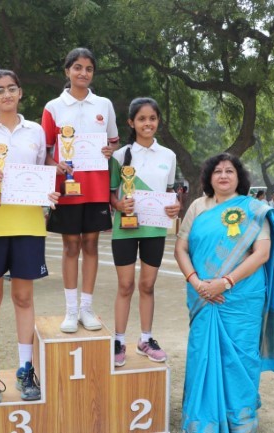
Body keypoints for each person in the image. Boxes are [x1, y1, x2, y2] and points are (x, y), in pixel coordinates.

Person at [0, 69, 60, 404]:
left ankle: (25, 370)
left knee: (23, 298)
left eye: (12, 88)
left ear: (20, 93)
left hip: (27, 225)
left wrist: (48, 193)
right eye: (0, 90)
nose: (6, 94)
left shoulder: (35, 131)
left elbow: (41, 174)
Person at [174, 153, 274, 433]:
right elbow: (181, 249)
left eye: (229, 171)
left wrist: (225, 282)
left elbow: (262, 253)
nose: (223, 176)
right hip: (202, 295)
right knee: (202, 353)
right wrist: (197, 283)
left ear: (239, 178)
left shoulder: (254, 210)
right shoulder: (198, 207)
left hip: (242, 296)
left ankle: (239, 418)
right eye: (217, 171)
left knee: (241, 355)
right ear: (209, 178)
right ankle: (203, 420)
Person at [41, 47, 119, 333]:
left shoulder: (104, 105)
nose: (83, 73)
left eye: (88, 69)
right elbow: (45, 152)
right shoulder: (53, 107)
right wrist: (56, 165)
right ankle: (71, 310)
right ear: (67, 71)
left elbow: (113, 142)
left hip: (97, 188)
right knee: (71, 246)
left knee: (91, 244)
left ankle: (87, 308)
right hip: (68, 188)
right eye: (77, 67)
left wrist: (109, 150)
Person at [109, 97, 180, 367]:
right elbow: (110, 194)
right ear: (131, 122)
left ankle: (146, 340)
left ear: (158, 121)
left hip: (155, 229)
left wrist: (175, 205)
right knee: (125, 286)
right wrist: (118, 204)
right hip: (125, 229)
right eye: (141, 119)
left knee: (147, 285)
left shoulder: (168, 156)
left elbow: (170, 191)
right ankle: (119, 341)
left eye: (152, 118)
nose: (147, 123)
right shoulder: (119, 156)